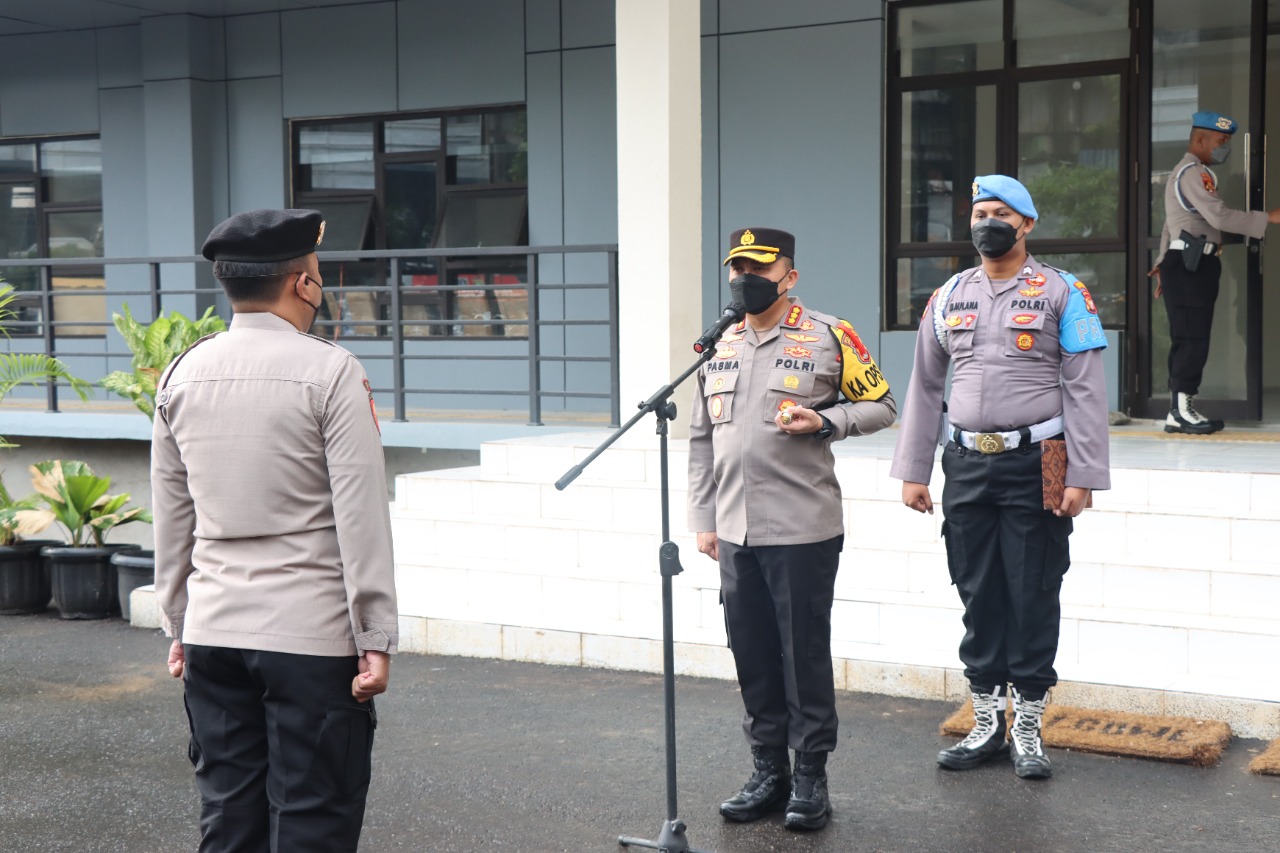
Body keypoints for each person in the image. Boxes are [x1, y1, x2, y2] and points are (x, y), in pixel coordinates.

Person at [152, 208, 399, 852]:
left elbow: (173, 516)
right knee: (313, 818)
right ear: (301, 283)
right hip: (310, 636)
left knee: (229, 817)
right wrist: (374, 634)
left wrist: (178, 624)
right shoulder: (333, 371)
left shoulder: (181, 373)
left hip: (213, 627)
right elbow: (361, 514)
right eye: (317, 273)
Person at [890, 176, 1110, 780]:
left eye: (1000, 214)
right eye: (979, 213)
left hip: (1037, 462)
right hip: (964, 464)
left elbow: (1085, 390)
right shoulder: (948, 295)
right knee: (977, 588)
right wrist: (913, 469)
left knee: (1032, 589)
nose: (987, 222)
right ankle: (987, 720)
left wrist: (1084, 473)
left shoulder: (1064, 293)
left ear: (1027, 225)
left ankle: (1031, 727)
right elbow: (925, 386)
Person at [688, 227, 897, 831]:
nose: (743, 278)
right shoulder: (718, 345)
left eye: (758, 267)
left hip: (802, 526)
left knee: (801, 655)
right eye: (736, 268)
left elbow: (882, 404)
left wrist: (825, 420)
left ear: (790, 276)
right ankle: (767, 771)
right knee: (751, 652)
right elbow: (702, 441)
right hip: (734, 529)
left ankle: (810, 777)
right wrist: (705, 520)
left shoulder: (831, 335)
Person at [1151, 110, 1280, 434]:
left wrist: (1163, 264)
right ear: (1200, 139)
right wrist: (1268, 218)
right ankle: (1182, 411)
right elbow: (1219, 217)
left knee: (1190, 336)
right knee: (1192, 338)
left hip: (1188, 264)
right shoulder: (1194, 172)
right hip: (1191, 265)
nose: (1224, 147)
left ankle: (1177, 410)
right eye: (1221, 141)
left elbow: (1170, 223)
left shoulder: (1186, 172)